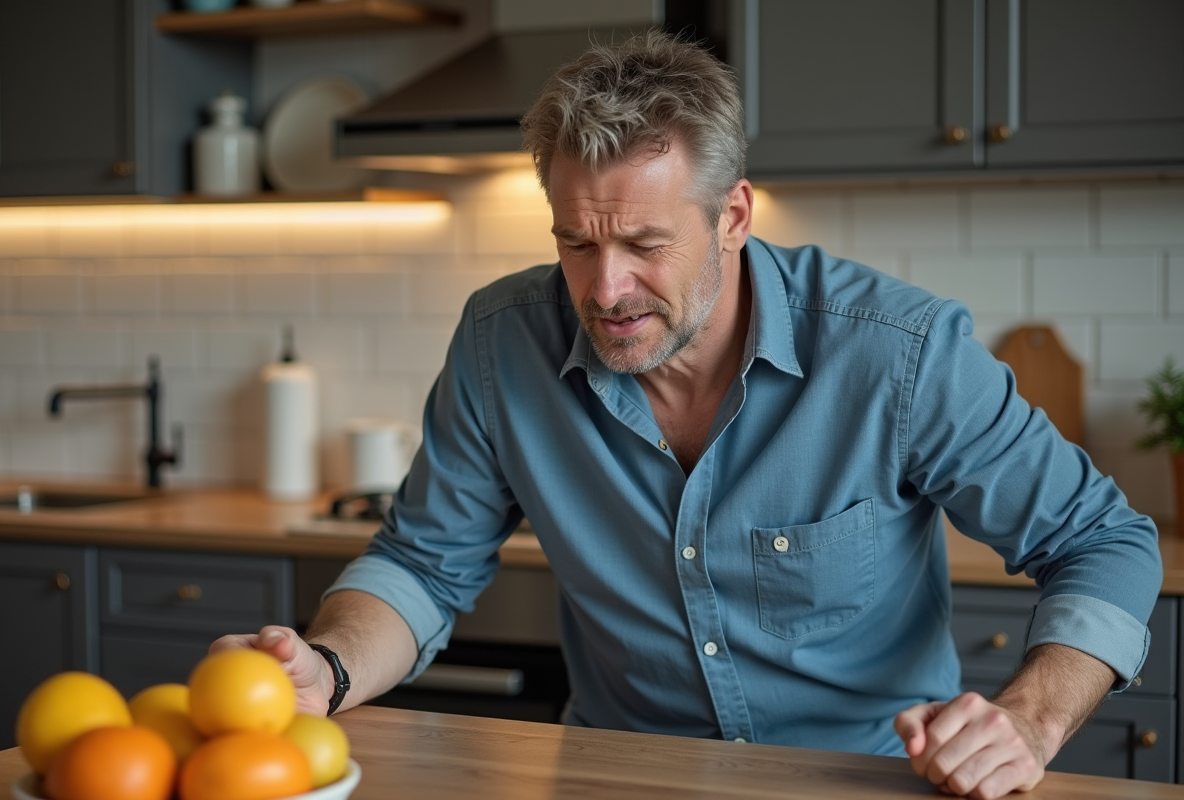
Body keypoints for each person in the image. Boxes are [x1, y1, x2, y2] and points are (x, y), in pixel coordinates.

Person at [213, 30, 1162, 799]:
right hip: (617, 775)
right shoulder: (503, 344)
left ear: (735, 217)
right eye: (576, 244)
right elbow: (423, 563)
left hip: (869, 782)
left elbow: (1104, 540)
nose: (606, 286)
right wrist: (328, 668)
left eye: (644, 243)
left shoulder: (896, 353)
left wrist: (1030, 721)